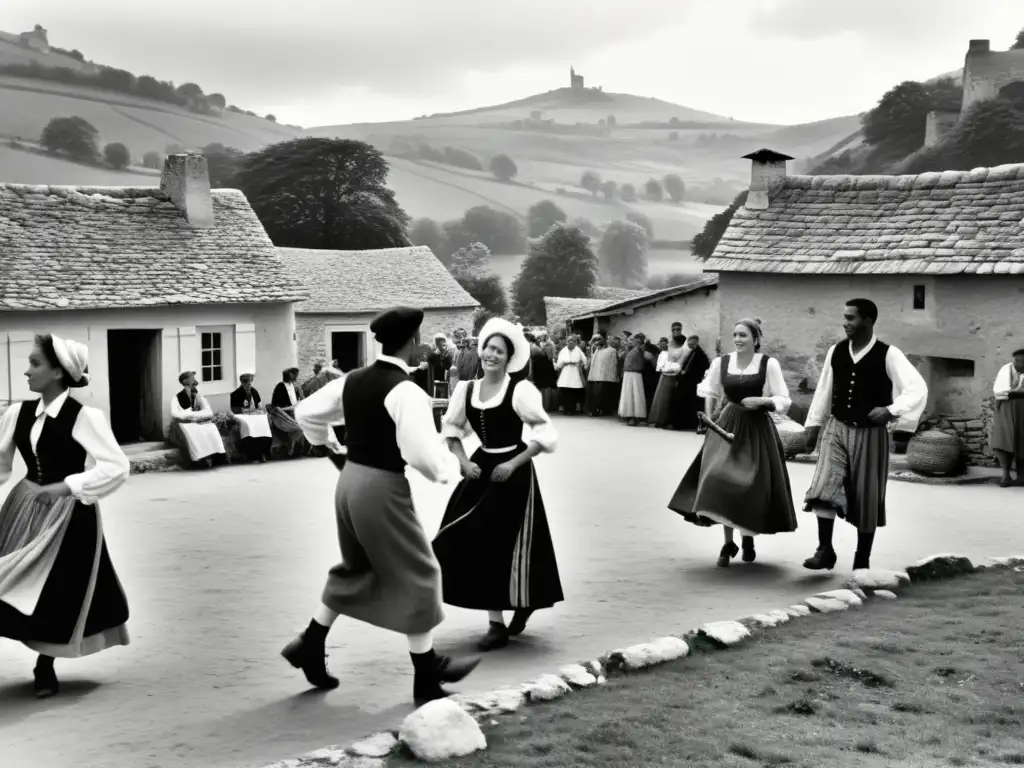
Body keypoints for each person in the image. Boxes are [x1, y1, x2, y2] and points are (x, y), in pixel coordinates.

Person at [281, 306, 479, 704]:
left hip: (350, 480)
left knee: (358, 569)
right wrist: (448, 469)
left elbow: (304, 411)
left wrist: (332, 452)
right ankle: (427, 675)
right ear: (412, 342)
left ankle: (310, 644)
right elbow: (421, 454)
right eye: (419, 339)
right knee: (421, 572)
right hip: (380, 488)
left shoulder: (351, 380)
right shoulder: (406, 391)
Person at [0, 335, 131, 698]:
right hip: (23, 508)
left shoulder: (84, 417)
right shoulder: (17, 413)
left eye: (36, 364)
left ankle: (45, 665)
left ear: (59, 371)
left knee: (56, 589)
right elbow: (0, 465)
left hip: (68, 514)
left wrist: (66, 486)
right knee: (10, 580)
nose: (26, 371)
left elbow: (117, 466)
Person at [433, 318, 563, 651]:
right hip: (481, 468)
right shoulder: (467, 389)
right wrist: (463, 462)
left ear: (508, 358)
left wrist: (512, 463)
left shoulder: (520, 390)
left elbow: (543, 433)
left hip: (514, 471)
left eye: (499, 351)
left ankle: (519, 605)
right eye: (488, 348)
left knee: (510, 543)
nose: (492, 355)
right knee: (464, 535)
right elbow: (451, 431)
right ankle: (496, 621)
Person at [802, 298, 928, 571]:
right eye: (845, 317)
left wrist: (891, 410)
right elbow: (824, 389)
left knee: (866, 496)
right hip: (836, 427)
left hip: (870, 434)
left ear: (868, 321)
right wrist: (812, 425)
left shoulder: (889, 354)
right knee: (824, 485)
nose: (845, 323)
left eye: (851, 318)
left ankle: (862, 560)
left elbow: (917, 389)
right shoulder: (836, 351)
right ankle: (825, 549)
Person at [668, 319, 797, 566]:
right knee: (717, 477)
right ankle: (728, 542)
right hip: (726, 424)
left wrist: (762, 402)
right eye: (735, 335)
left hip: (756, 428)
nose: (738, 340)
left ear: (756, 339)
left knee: (748, 484)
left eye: (743, 336)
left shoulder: (768, 364)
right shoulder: (721, 362)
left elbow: (784, 399)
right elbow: (709, 390)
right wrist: (709, 419)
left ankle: (747, 536)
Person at [169, 371, 227, 468]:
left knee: (211, 428)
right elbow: (175, 414)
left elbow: (208, 411)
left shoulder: (198, 396)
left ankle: (217, 457)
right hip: (185, 424)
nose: (194, 381)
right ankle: (199, 459)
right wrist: (190, 416)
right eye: (191, 378)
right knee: (193, 432)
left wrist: (195, 415)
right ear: (185, 382)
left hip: (198, 422)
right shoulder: (177, 398)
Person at [991, 349, 1024, 487]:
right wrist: (1016, 393)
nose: (1016, 363)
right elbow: (1000, 392)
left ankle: (1021, 476)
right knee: (1003, 441)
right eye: (1015, 360)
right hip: (1005, 408)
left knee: (1021, 441)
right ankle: (1006, 475)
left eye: (1020, 361)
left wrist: (1014, 393)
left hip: (1022, 410)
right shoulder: (1006, 370)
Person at [230, 373, 272, 462]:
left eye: (249, 381)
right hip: (243, 416)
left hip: (255, 415)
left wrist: (259, 412)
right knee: (248, 426)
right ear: (241, 382)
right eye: (245, 381)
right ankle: (252, 454)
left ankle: (264, 452)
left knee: (263, 423)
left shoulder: (254, 392)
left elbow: (260, 406)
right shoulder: (235, 394)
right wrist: (248, 412)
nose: (248, 383)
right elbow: (236, 410)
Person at [672, 335, 711, 431]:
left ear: (696, 343)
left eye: (691, 345)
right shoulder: (692, 352)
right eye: (689, 345)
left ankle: (686, 424)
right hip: (687, 382)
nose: (690, 346)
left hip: (692, 383)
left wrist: (686, 373)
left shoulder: (700, 355)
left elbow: (701, 368)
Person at [648, 334, 688, 428]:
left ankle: (664, 421)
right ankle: (659, 420)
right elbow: (663, 366)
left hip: (672, 377)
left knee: (666, 400)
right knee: (661, 399)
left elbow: (678, 366)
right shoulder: (667, 353)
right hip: (665, 376)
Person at [269, 368, 306, 458]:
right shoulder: (280, 387)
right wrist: (289, 408)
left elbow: (302, 399)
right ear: (289, 375)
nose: (296, 377)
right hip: (283, 415)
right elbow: (275, 406)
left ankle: (294, 445)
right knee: (301, 426)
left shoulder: (296, 386)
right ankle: (291, 445)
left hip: (295, 412)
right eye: (294, 375)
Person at [618, 334, 649, 426]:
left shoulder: (640, 349)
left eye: (633, 339)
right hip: (629, 374)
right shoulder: (630, 350)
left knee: (635, 395)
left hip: (635, 374)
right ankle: (629, 415)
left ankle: (635, 416)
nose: (630, 341)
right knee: (629, 394)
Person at [586, 335, 620, 417]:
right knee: (595, 394)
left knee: (603, 394)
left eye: (599, 339)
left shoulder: (612, 351)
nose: (597, 341)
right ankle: (595, 410)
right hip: (596, 376)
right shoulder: (596, 350)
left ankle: (604, 410)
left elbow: (616, 363)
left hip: (606, 376)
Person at [555, 335, 587, 415]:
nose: (570, 342)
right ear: (566, 342)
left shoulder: (578, 350)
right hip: (565, 373)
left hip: (575, 372)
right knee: (565, 392)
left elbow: (585, 360)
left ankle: (573, 409)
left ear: (576, 342)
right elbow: (559, 364)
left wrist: (583, 366)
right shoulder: (563, 351)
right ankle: (567, 409)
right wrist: (562, 364)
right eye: (569, 340)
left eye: (572, 340)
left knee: (575, 392)